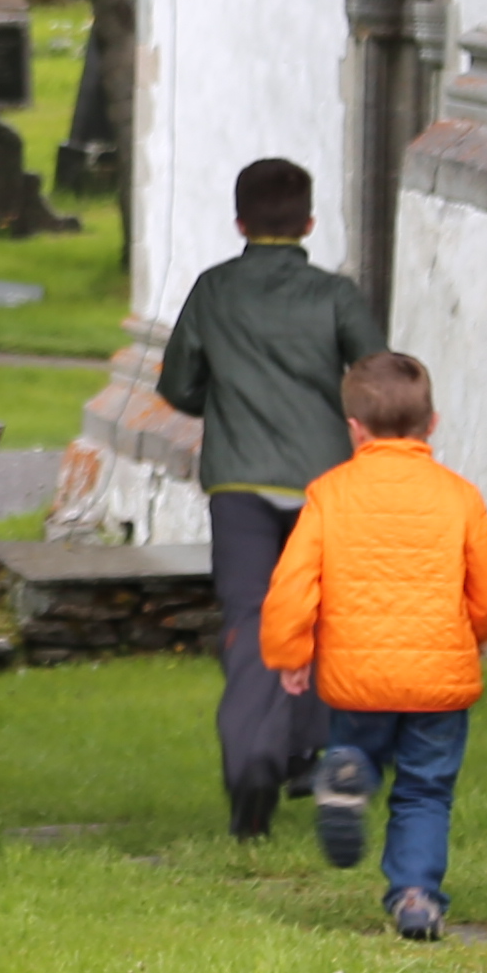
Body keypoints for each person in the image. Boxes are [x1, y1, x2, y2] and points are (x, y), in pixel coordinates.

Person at [153, 155, 385, 839]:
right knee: (320, 619)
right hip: (323, 485)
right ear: (310, 222)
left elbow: (177, 385)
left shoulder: (214, 290)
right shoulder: (336, 296)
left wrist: (223, 402)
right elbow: (376, 379)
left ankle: (251, 765)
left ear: (239, 222)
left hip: (240, 483)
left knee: (252, 621)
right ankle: (304, 753)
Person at [256, 348, 487, 940]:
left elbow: (293, 584)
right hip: (438, 683)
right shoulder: (459, 496)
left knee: (361, 750)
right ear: (432, 423)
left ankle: (348, 773)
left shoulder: (330, 493)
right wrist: (469, 635)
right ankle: (416, 897)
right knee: (426, 790)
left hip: (357, 678)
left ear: (354, 428)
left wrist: (290, 654)